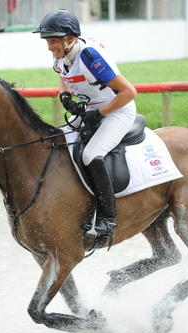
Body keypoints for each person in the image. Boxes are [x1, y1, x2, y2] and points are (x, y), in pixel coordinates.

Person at [33, 9, 138, 242]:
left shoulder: (90, 58)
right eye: (47, 41)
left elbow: (129, 92)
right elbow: (62, 74)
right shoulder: (62, 53)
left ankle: (108, 219)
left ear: (70, 38)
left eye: (53, 41)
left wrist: (99, 114)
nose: (50, 46)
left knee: (91, 154)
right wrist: (65, 96)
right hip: (93, 111)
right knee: (58, 141)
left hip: (117, 111)